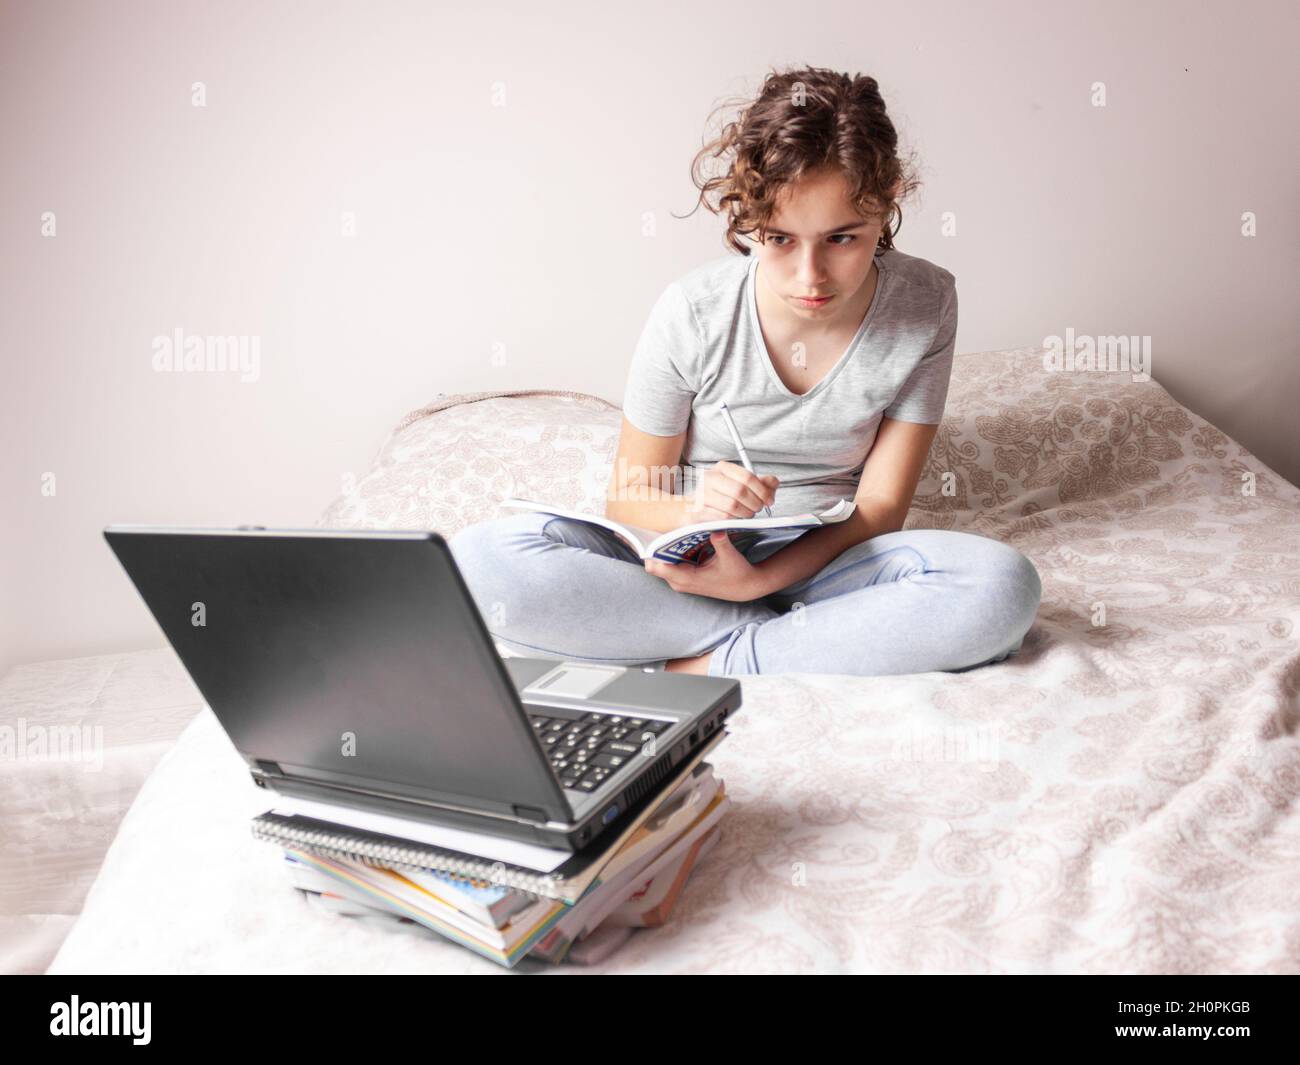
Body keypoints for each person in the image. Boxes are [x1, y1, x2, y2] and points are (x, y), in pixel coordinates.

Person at [450, 67, 1041, 678]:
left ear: (887, 197)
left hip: (828, 565)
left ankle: (712, 658)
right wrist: (697, 513)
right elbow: (630, 495)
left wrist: (759, 580)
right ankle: (797, 644)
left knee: (1000, 585)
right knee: (479, 560)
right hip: (690, 567)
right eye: (779, 239)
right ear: (746, 213)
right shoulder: (693, 311)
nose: (810, 276)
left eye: (842, 238)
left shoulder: (926, 302)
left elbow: (880, 509)